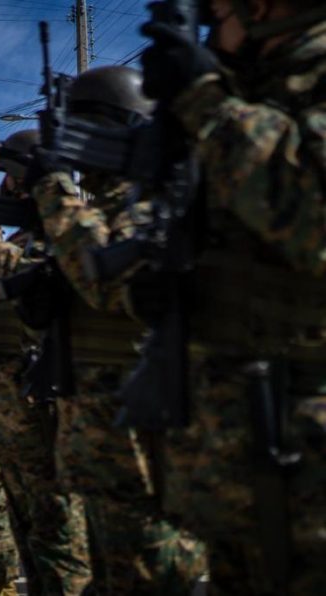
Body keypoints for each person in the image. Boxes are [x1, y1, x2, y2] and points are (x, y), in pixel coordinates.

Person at [137, 0, 326, 592]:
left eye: (220, 9)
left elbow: (312, 216)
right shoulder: (254, 99)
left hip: (305, 444)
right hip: (238, 435)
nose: (214, 24)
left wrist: (206, 101)